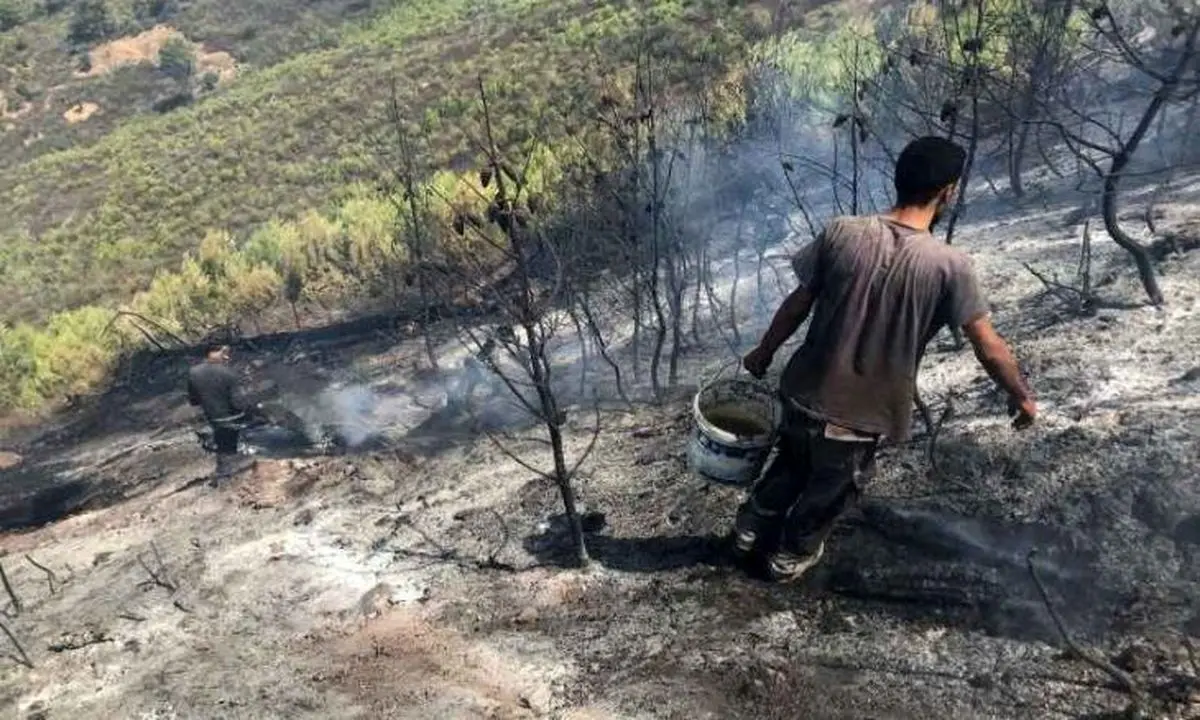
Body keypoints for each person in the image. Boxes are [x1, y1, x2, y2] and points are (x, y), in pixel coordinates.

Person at [732, 136, 1037, 583]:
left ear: (899, 179)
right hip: (861, 414)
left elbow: (798, 304)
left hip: (802, 390)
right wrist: (1021, 395)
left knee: (791, 462)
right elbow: (987, 344)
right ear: (947, 192)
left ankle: (748, 528)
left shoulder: (843, 231)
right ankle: (789, 555)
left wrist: (764, 352)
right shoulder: (950, 265)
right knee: (831, 488)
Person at [187, 343, 251, 482]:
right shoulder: (229, 374)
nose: (227, 357)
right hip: (232, 417)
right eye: (224, 353)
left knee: (222, 442)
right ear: (212, 352)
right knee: (231, 442)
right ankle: (230, 474)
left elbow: (194, 401)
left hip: (212, 417)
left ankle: (223, 471)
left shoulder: (194, 372)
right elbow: (237, 403)